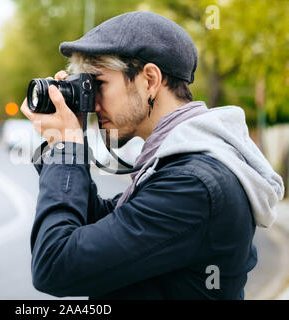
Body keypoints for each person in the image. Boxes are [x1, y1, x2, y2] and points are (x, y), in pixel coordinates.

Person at [20, 11, 284, 299]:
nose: (92, 103)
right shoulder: (178, 165)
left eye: (99, 84)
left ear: (149, 80)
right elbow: (105, 225)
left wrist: (67, 150)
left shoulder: (193, 185)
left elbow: (55, 265)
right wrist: (58, 142)